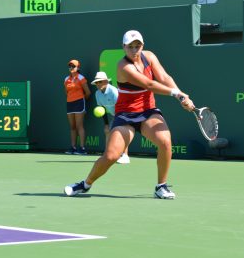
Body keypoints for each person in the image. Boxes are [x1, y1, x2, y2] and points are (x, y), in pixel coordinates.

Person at [64, 30, 194, 199]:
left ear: (142, 46)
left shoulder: (150, 57)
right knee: (111, 156)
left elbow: (164, 77)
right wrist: (178, 95)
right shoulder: (123, 66)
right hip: (126, 116)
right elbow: (149, 84)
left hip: (148, 112)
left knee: (165, 141)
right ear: (123, 47)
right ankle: (85, 184)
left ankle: (161, 187)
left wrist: (182, 95)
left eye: (137, 46)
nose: (134, 50)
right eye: (130, 47)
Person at [91, 71, 130, 164]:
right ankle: (107, 155)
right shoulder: (97, 94)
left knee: (122, 132)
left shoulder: (113, 91)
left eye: (100, 82)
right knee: (107, 132)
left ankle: (125, 156)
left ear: (106, 82)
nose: (98, 84)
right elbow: (102, 109)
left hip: (124, 112)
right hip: (115, 114)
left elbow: (120, 105)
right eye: (96, 82)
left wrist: (118, 120)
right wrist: (106, 124)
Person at [64, 59, 91, 155]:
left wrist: (82, 100)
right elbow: (66, 92)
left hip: (79, 102)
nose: (71, 68)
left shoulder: (81, 78)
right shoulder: (66, 79)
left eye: (73, 66)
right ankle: (73, 147)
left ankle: (82, 148)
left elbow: (88, 92)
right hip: (70, 103)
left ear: (78, 68)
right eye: (70, 66)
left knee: (79, 126)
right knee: (72, 127)